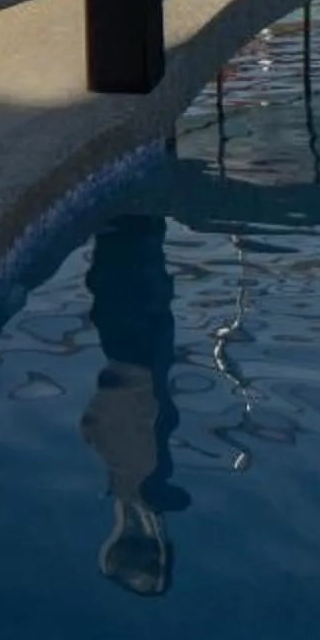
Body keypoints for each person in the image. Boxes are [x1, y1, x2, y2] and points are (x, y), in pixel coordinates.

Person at [77, 212, 189, 595]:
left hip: (136, 352)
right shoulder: (131, 473)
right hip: (137, 352)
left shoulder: (134, 474)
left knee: (130, 275)